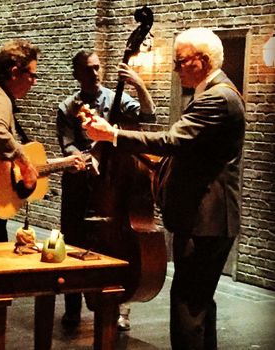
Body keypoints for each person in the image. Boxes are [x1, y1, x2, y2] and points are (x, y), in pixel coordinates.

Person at [82, 28, 245, 350]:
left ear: (202, 60)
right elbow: (190, 154)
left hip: (205, 221)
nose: (175, 68)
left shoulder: (217, 97)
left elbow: (173, 141)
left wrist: (113, 135)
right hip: (206, 220)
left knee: (187, 308)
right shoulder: (213, 93)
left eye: (180, 61)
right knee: (198, 304)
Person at [0, 39, 82, 349]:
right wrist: (23, 158)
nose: (34, 82)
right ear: (13, 71)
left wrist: (54, 164)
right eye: (32, 75)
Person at [56, 50, 156, 330]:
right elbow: (68, 147)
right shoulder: (67, 107)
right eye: (88, 69)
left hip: (113, 184)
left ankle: (121, 307)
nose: (95, 73)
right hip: (80, 182)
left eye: (97, 68)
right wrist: (90, 159)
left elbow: (148, 114)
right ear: (76, 73)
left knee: (118, 245)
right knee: (73, 241)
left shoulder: (115, 98)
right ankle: (72, 308)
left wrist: (138, 84)